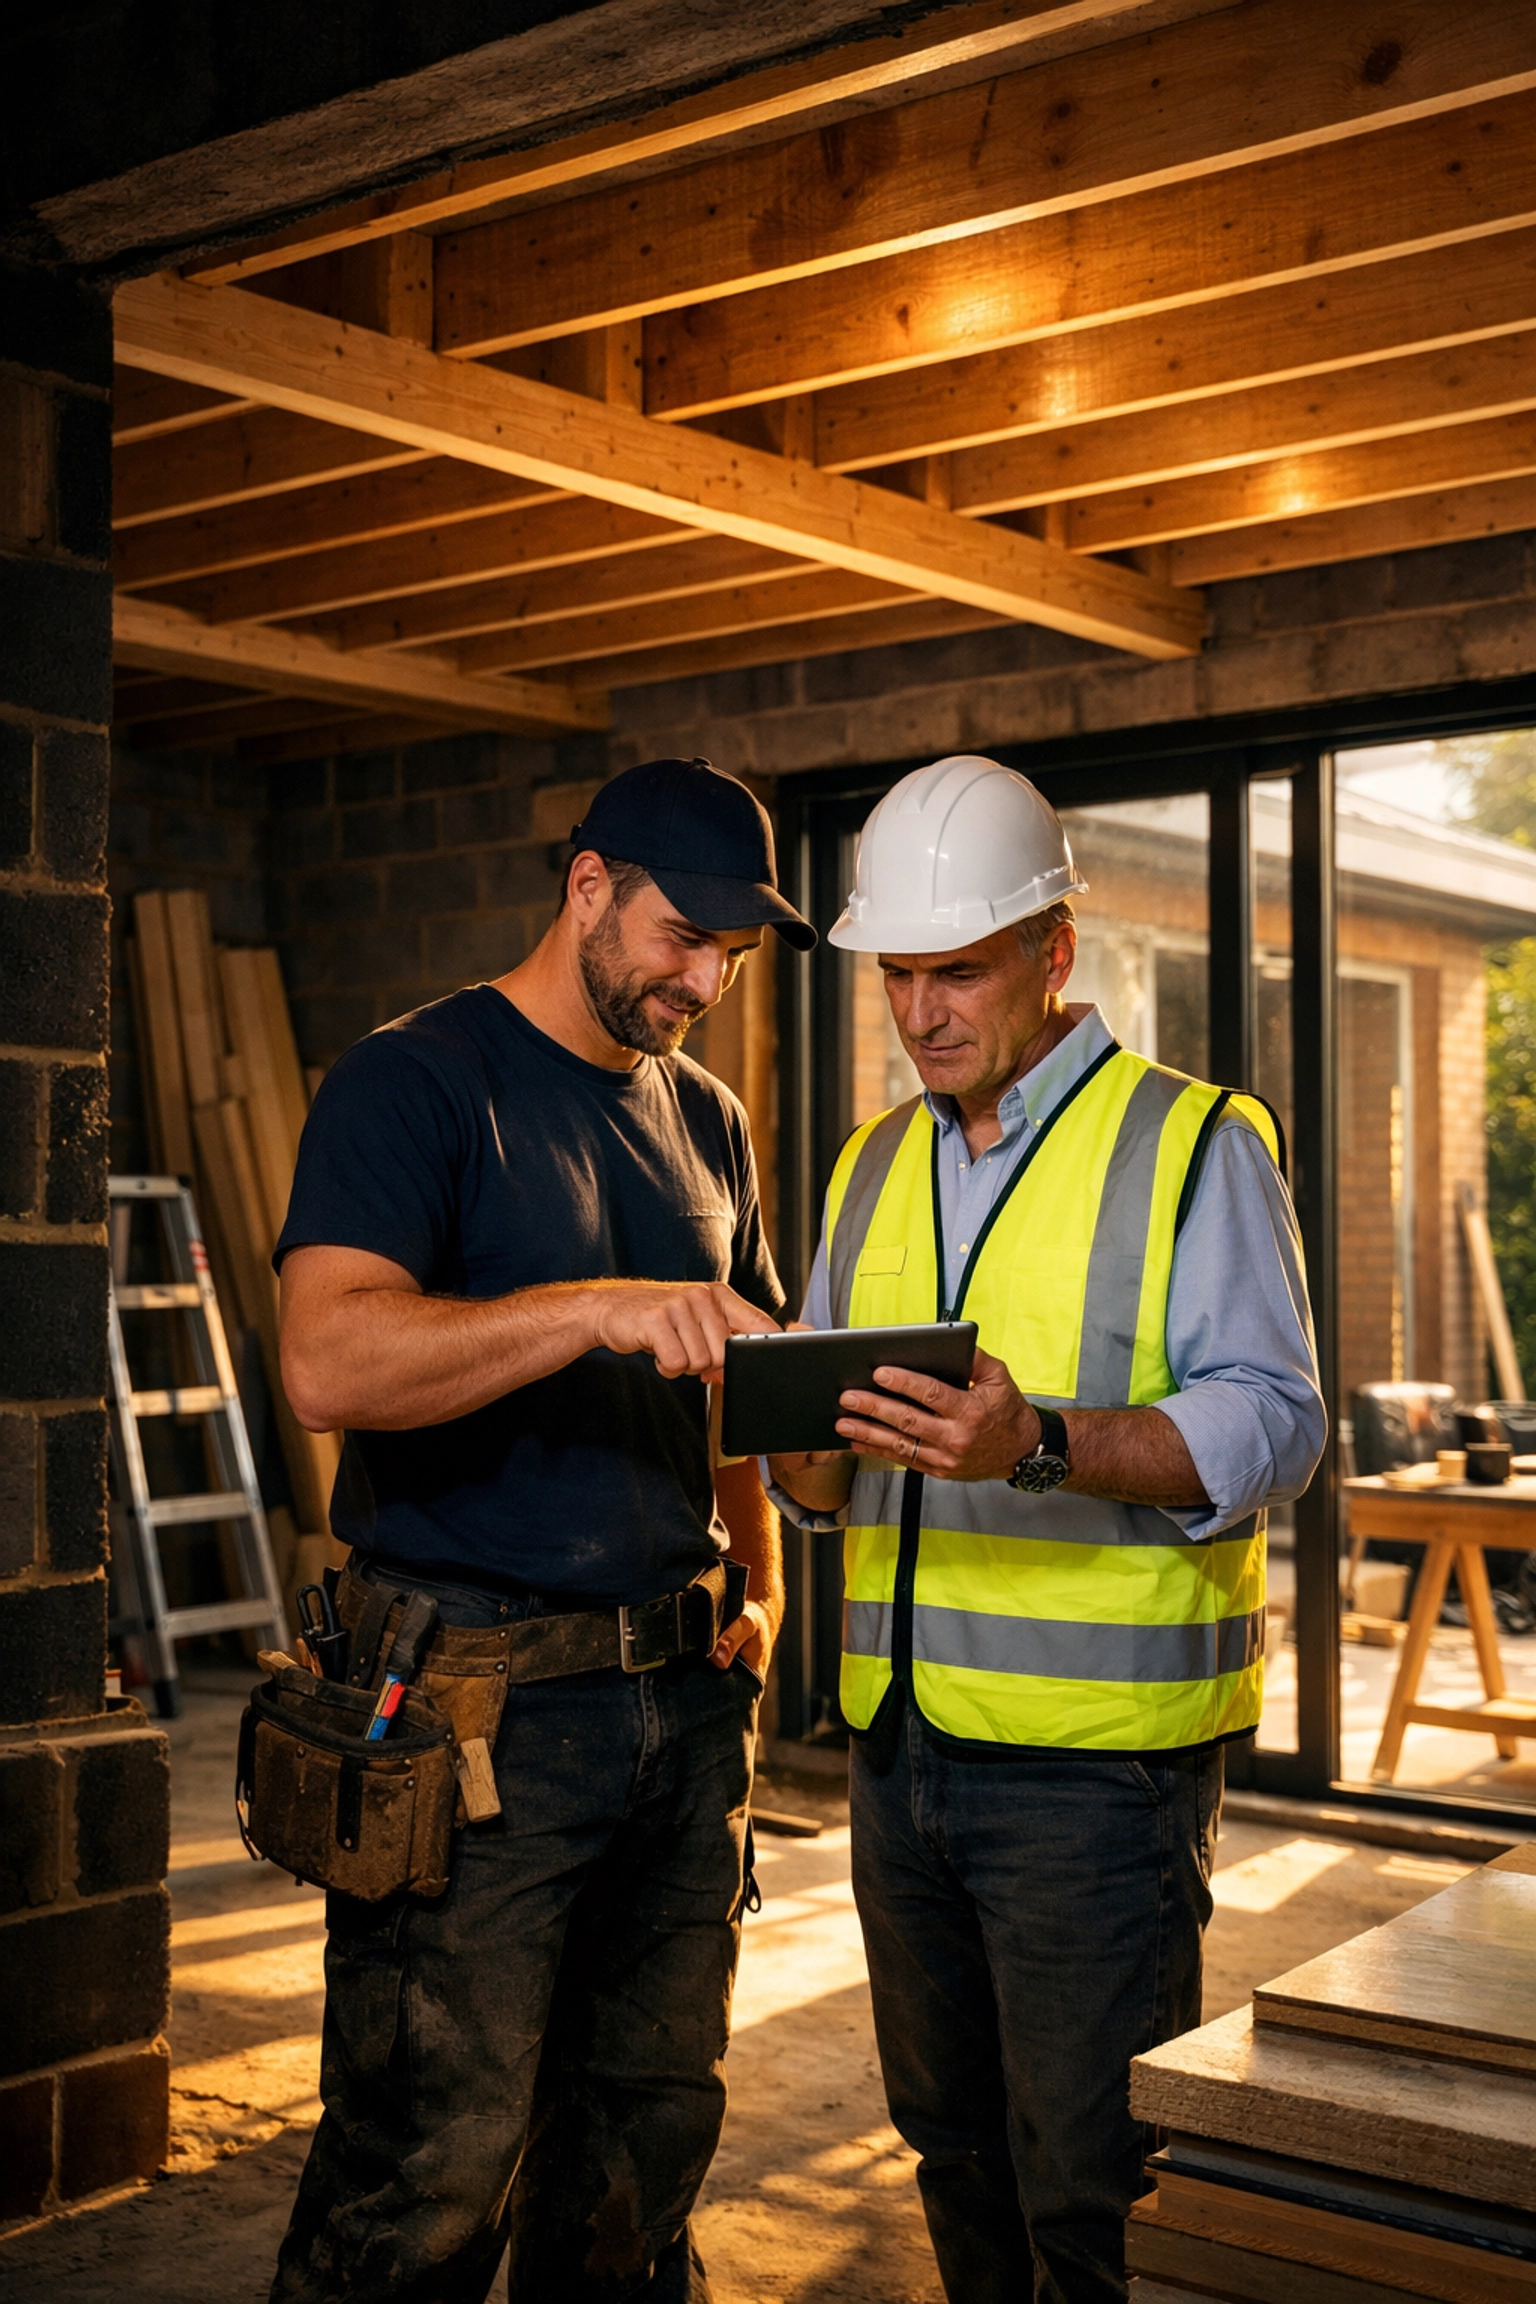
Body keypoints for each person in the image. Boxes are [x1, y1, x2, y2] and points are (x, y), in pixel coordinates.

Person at [768, 755, 1325, 2304]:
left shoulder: (1197, 1143)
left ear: (1054, 952)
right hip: (901, 1751)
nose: (921, 1011)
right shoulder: (874, 1166)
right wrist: (793, 1462)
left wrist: (1042, 1443)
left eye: (959, 969)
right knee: (950, 2143)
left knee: (1094, 2183)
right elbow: (821, 1475)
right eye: (899, 974)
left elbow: (1281, 1422)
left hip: (1100, 1777)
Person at [268, 757, 815, 2304]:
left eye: (729, 954)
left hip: (683, 1706)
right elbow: (326, 1363)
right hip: (475, 1707)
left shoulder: (708, 1119)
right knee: (426, 2172)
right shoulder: (416, 1079)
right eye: (679, 937)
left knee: (639, 2162)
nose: (702, 978)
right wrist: (587, 1310)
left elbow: (731, 1393)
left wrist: (758, 1584)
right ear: (588, 887)